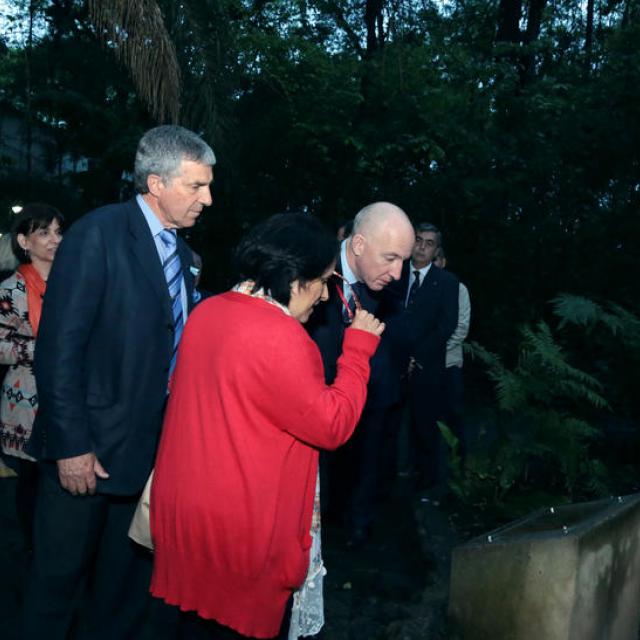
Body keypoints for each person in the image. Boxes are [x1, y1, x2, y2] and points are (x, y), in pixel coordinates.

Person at [150, 213, 384, 639]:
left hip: (186, 516)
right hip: (240, 534)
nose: (327, 298)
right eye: (325, 282)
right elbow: (332, 425)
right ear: (296, 279)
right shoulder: (284, 338)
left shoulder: (207, 312)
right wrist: (358, 351)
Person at [21, 125, 215, 640]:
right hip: (86, 455)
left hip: (147, 456)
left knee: (120, 592)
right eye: (196, 186)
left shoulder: (185, 255)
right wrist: (72, 446)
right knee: (56, 587)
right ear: (156, 182)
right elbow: (59, 349)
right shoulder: (97, 235)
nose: (208, 199)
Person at [307, 202, 415, 545]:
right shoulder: (309, 263)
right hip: (311, 400)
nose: (399, 273)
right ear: (358, 245)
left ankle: (356, 525)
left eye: (404, 261)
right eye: (390, 259)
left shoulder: (387, 285)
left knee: (364, 463)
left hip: (367, 396)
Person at [0, 204, 63, 548]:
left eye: (57, 231)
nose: (54, 239)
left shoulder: (73, 281)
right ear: (24, 240)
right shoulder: (11, 290)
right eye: (44, 232)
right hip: (26, 397)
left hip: (66, 393)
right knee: (31, 480)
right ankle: (30, 552)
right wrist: (41, 350)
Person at [388, 222, 459, 493]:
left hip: (426, 365)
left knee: (424, 426)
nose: (422, 246)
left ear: (436, 249)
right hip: (393, 362)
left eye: (429, 243)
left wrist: (416, 355)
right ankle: (388, 477)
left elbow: (447, 325)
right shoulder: (395, 274)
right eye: (418, 240)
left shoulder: (447, 282)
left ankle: (426, 483)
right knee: (388, 423)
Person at [434, 246, 471, 456]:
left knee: (453, 415)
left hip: (449, 363)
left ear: (444, 262)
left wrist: (433, 350)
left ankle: (461, 464)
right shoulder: (420, 287)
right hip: (423, 366)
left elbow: (461, 328)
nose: (434, 264)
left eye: (437, 259)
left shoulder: (459, 289)